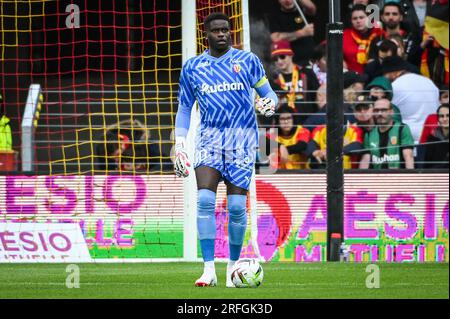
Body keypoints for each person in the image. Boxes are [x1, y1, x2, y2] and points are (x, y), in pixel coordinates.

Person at [174, 12, 278, 287]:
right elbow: (184, 108)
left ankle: (232, 268)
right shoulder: (193, 67)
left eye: (226, 30)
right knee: (205, 201)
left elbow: (269, 94)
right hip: (208, 140)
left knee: (235, 206)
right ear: (205, 34)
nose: (222, 34)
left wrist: (269, 104)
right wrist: (180, 143)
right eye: (216, 30)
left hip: (241, 142)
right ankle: (208, 269)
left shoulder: (247, 61)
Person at [381, 55, 440, 144]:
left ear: (393, 73)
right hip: (434, 135)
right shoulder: (428, 81)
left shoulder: (394, 86)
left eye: (385, 75)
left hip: (409, 139)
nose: (384, 78)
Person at [269, 40, 320, 124]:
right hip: (284, 126)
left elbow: (317, 98)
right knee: (265, 135)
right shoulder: (273, 81)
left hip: (307, 123)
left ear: (291, 55)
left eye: (282, 56)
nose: (279, 61)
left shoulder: (307, 73)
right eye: (275, 59)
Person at [359, 98, 415, 169]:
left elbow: (408, 156)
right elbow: (365, 160)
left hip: (398, 177)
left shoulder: (402, 129)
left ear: (392, 112)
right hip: (377, 178)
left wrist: (409, 178)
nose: (379, 113)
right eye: (376, 110)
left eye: (384, 110)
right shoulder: (369, 134)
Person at [368, 2, 421, 67]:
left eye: (394, 14)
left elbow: (414, 62)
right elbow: (371, 64)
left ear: (401, 17)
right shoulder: (376, 40)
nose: (391, 17)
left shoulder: (411, 38)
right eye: (387, 14)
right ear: (382, 17)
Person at [268, 0, 317, 66]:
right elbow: (276, 38)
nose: (287, 1)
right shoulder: (275, 15)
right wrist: (302, 33)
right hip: (292, 64)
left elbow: (311, 8)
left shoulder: (302, 10)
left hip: (311, 61)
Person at [266, 104, 311, 169]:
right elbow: (263, 142)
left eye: (289, 118)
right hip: (278, 173)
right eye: (282, 119)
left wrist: (284, 149)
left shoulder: (302, 131)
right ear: (278, 121)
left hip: (300, 172)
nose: (286, 122)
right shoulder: (273, 132)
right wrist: (280, 146)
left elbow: (301, 146)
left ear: (293, 119)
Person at [343, 4, 382, 74]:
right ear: (351, 21)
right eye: (355, 18)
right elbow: (325, 48)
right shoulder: (344, 35)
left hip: (375, 75)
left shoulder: (379, 34)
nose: (358, 21)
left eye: (361, 17)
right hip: (353, 77)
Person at [423, 104, 449, 169]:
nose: (445, 119)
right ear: (438, 119)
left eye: (448, 115)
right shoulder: (432, 138)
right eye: (442, 116)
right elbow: (427, 166)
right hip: (437, 176)